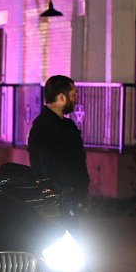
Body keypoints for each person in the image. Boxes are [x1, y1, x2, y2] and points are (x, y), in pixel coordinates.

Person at [27, 74, 90, 223]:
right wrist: (64, 191)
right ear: (61, 98)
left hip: (69, 197)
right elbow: (45, 165)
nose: (75, 99)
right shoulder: (43, 128)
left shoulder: (66, 126)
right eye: (73, 95)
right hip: (57, 200)